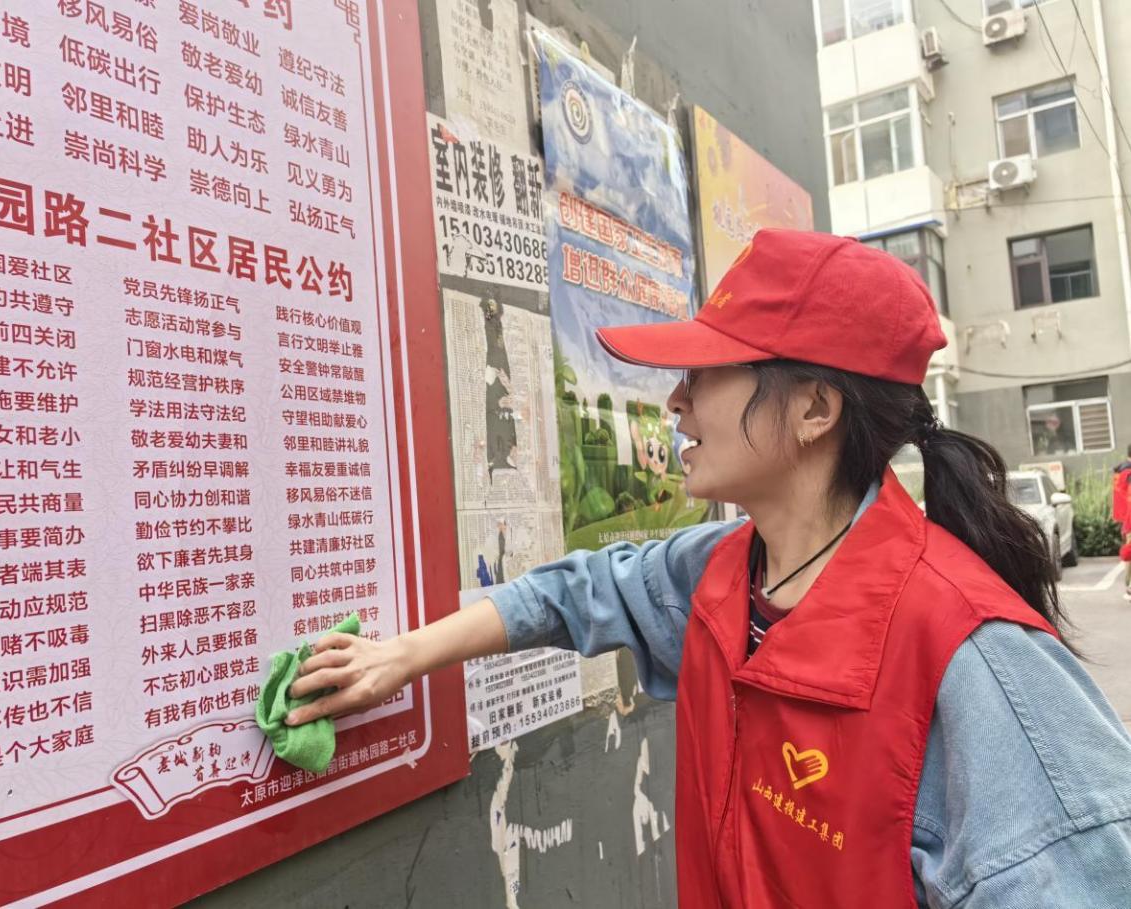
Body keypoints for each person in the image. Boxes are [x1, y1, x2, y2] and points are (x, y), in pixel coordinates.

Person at [286, 230, 1131, 907]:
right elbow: (574, 594)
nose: (676, 401)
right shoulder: (723, 571)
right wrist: (397, 659)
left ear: (813, 407)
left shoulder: (977, 658)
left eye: (706, 372)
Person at [1113, 448, 1131, 599]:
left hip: (1124, 518)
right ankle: (1129, 587)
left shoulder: (1120, 472)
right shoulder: (1128, 473)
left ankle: (1128, 587)